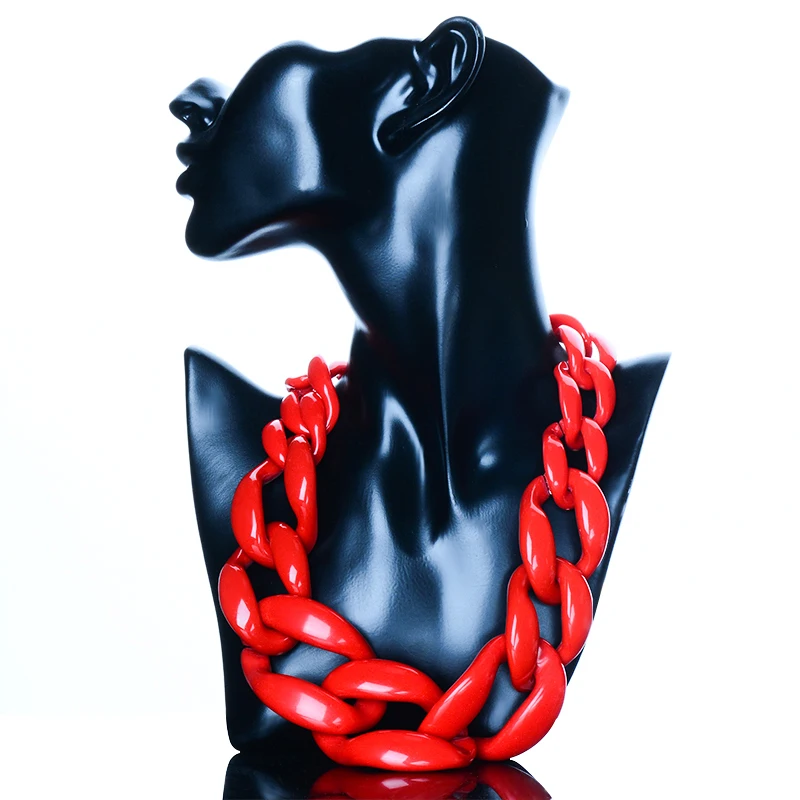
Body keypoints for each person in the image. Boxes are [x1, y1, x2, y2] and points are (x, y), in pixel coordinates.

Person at [171, 17, 668, 753]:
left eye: (326, 49)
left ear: (431, 79)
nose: (195, 101)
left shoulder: (658, 427)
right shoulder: (233, 436)